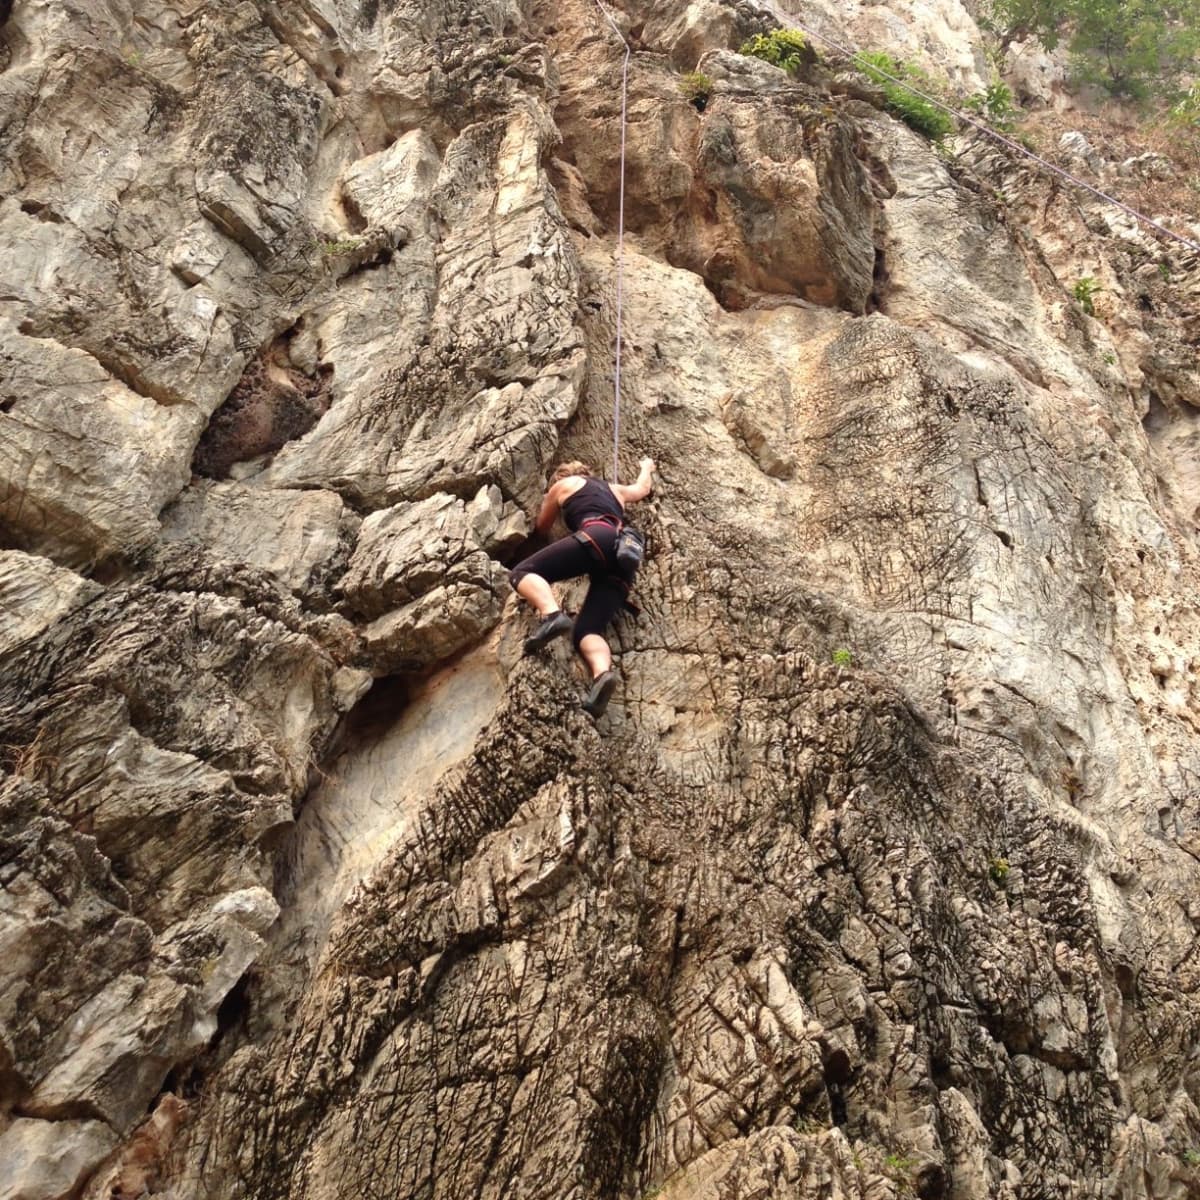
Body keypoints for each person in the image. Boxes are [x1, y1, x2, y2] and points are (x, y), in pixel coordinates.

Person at [509, 457, 655, 717]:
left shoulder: (564, 485)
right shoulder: (616, 489)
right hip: (624, 557)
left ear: (560, 476)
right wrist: (647, 467)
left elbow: (543, 526)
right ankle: (602, 675)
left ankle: (552, 615)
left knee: (522, 572)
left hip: (596, 535)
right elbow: (642, 489)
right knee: (588, 630)